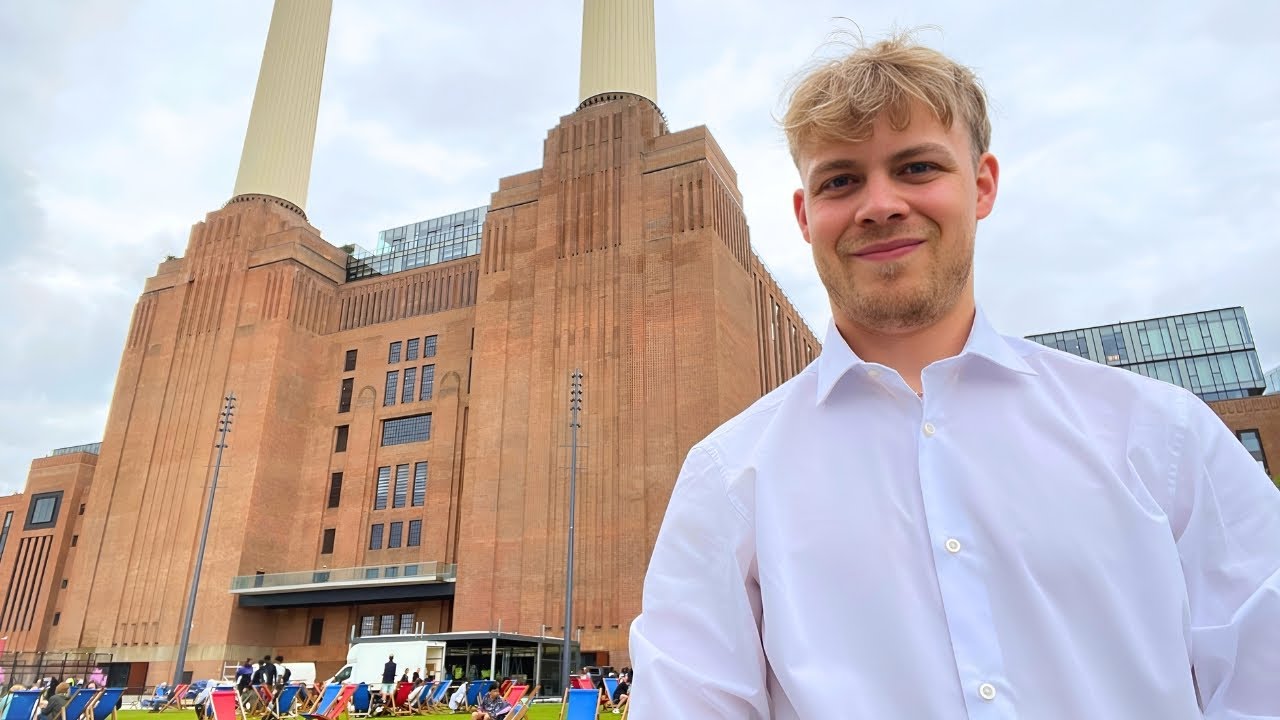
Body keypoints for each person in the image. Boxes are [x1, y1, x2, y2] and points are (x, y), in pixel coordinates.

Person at [628, 30, 1280, 719]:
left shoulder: (1163, 437)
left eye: (916, 168)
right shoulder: (730, 479)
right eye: (841, 179)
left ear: (983, 185)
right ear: (804, 215)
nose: (879, 204)